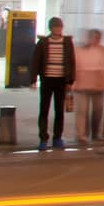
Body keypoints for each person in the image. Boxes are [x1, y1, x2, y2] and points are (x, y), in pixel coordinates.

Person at [30, 17, 77, 150]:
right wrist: (33, 79)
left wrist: (70, 80)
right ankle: (43, 138)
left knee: (59, 110)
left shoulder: (67, 42)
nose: (57, 29)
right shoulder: (43, 42)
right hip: (47, 79)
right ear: (50, 28)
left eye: (59, 27)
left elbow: (72, 62)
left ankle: (57, 137)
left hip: (61, 80)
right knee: (44, 109)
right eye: (55, 27)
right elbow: (36, 61)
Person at [73, 29, 104, 144]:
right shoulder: (79, 50)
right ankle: (81, 134)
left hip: (99, 85)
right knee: (82, 111)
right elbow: (74, 65)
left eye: (97, 37)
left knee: (97, 111)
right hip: (81, 85)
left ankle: (96, 133)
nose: (95, 40)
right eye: (93, 37)